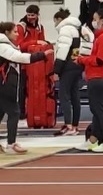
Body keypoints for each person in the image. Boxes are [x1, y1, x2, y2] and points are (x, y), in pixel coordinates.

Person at [0, 21, 51, 154]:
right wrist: (41, 55)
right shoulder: (3, 46)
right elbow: (19, 57)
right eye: (14, 32)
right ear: (6, 33)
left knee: (1, 112)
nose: (17, 34)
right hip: (4, 85)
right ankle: (11, 144)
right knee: (14, 112)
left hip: (4, 84)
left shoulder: (7, 45)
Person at [76, 5, 103, 153]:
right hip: (97, 76)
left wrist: (83, 60)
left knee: (100, 111)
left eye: (95, 19)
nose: (93, 22)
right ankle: (93, 140)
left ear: (102, 20)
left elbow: (100, 60)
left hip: (99, 76)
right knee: (96, 110)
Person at [52, 8, 88, 136]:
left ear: (59, 19)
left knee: (64, 95)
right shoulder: (80, 28)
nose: (54, 24)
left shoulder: (65, 29)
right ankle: (74, 125)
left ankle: (68, 125)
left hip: (67, 65)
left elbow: (63, 49)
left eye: (55, 21)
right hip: (78, 63)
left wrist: (56, 69)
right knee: (74, 95)